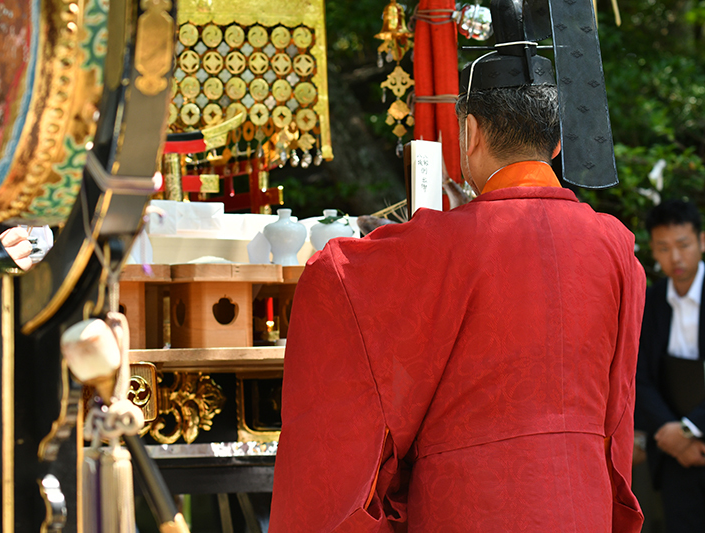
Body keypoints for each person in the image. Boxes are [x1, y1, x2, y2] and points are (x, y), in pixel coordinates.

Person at [269, 15, 646, 533]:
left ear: (469, 134)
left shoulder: (439, 244)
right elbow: (618, 411)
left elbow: (332, 276)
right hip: (581, 502)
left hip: (472, 505)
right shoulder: (616, 247)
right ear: (557, 143)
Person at [635, 199, 705, 532]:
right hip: (672, 450)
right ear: (652, 249)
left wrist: (690, 430)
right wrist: (671, 434)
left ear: (702, 241)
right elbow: (639, 376)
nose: (675, 257)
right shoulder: (651, 300)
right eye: (663, 248)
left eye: (683, 245)